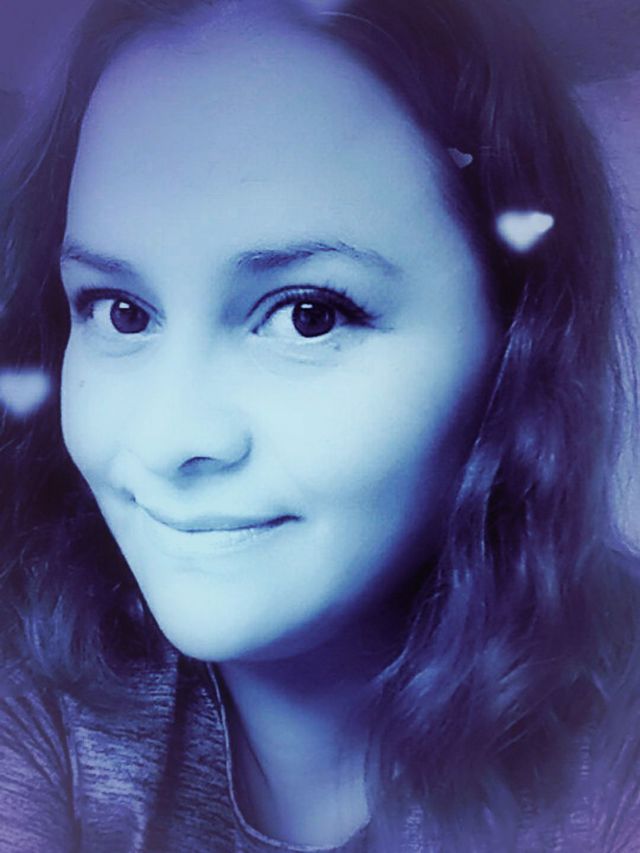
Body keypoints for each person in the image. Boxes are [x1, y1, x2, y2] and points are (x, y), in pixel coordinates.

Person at [1, 0, 639, 849]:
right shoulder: (31, 669)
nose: (167, 437)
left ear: (517, 334)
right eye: (121, 311)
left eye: (308, 315)